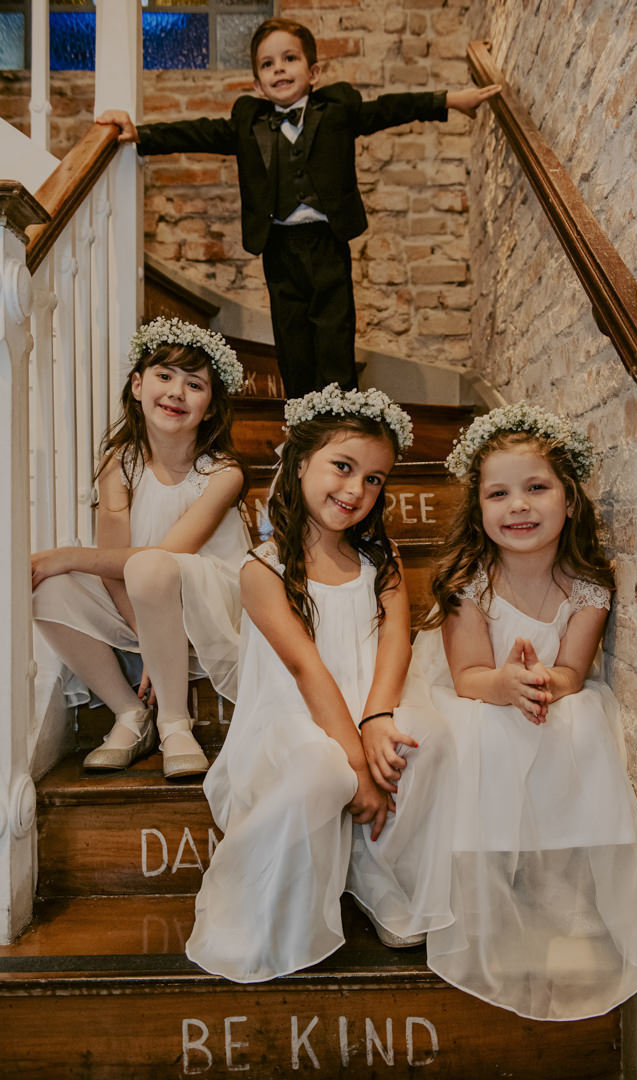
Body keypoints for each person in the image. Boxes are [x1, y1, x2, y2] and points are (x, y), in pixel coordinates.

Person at [185, 384, 454, 981]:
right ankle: (274, 902)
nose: (357, 490)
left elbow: (395, 641)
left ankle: (385, 878)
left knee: (426, 737)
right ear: (300, 462)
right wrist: (358, 764)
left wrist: (380, 718)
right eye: (343, 467)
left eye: (375, 479)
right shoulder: (263, 569)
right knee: (323, 770)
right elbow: (307, 668)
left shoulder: (381, 559)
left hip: (367, 705)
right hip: (297, 719)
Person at [406, 402, 637, 1021]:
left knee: (584, 728)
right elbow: (465, 678)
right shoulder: (469, 582)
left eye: (536, 488)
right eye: (499, 493)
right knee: (486, 737)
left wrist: (541, 679)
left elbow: (573, 672)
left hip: (547, 694)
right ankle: (482, 897)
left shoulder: (588, 587)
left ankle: (568, 904)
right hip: (480, 695)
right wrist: (507, 682)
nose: (518, 505)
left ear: (569, 500)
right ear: (479, 508)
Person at [96, 17, 500, 399]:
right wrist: (140, 134)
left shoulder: (337, 109)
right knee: (290, 332)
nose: (280, 69)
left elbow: (389, 108)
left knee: (334, 326)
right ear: (257, 82)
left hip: (326, 239)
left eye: (290, 59)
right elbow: (198, 131)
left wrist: (448, 100)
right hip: (279, 244)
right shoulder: (248, 121)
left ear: (314, 72)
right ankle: (300, 415)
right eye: (268, 64)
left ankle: (340, 413)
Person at [32, 317, 251, 780]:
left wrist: (68, 554)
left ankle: (175, 721)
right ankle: (131, 713)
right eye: (164, 376)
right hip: (143, 608)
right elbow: (115, 569)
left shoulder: (222, 473)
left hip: (209, 605)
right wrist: (146, 640)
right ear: (137, 385)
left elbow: (166, 559)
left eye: (195, 384)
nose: (176, 392)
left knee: (151, 565)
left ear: (210, 408)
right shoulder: (121, 464)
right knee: (48, 590)